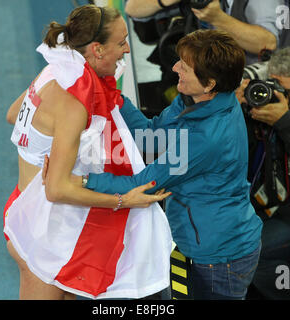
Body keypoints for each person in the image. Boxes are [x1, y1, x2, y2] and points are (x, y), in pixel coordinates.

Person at [45, 29, 263, 300]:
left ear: (208, 83)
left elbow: (144, 184)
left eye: (184, 67)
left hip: (219, 258)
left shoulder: (204, 138)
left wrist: (81, 180)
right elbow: (150, 135)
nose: (174, 68)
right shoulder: (196, 100)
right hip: (201, 241)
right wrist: (113, 97)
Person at [3, 4, 173, 300]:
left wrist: (50, 143)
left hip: (31, 214)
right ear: (96, 49)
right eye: (121, 43)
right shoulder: (74, 103)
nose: (127, 51)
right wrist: (123, 200)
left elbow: (13, 114)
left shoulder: (56, 69)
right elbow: (56, 189)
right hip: (44, 237)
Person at [236, 47, 290, 300]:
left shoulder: (283, 118)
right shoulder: (263, 112)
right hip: (266, 206)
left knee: (251, 252)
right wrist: (234, 110)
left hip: (284, 214)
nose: (281, 99)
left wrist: (286, 122)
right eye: (279, 90)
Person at [125, 0, 284, 65]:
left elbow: (267, 43)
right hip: (206, 80)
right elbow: (132, 9)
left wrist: (218, 19)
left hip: (249, 83)